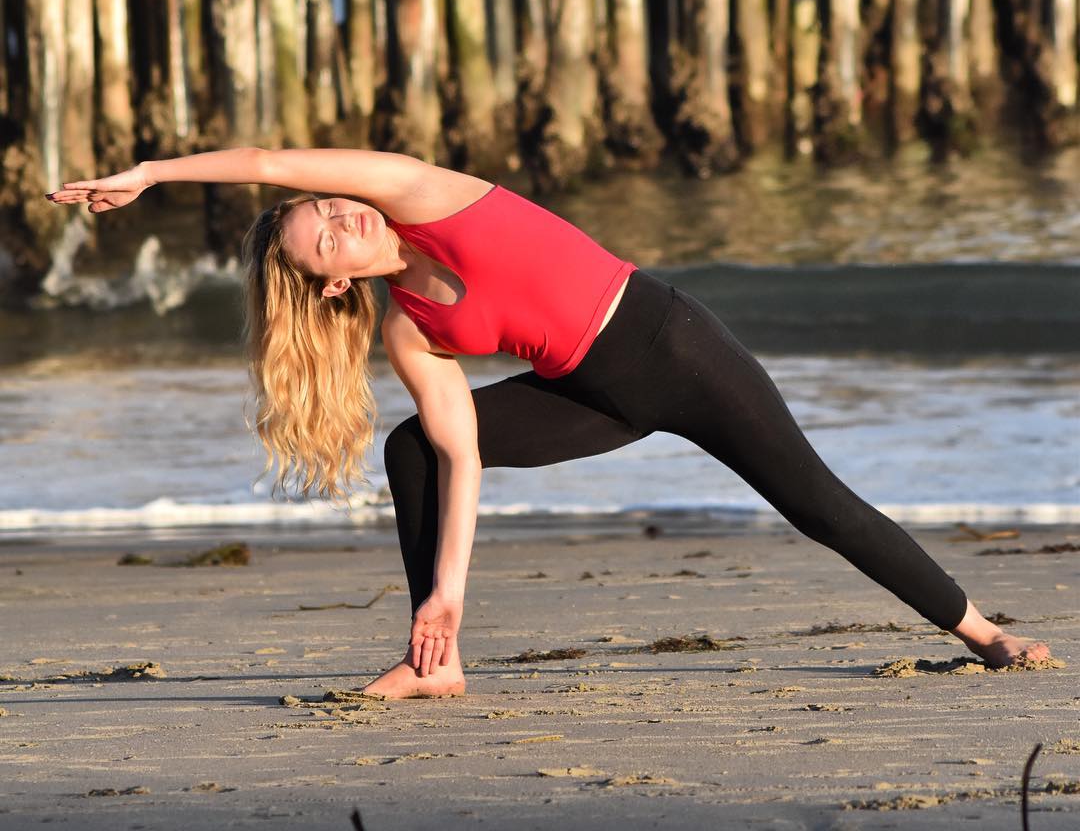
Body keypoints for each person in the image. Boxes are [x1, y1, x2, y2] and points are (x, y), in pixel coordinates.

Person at [47, 146, 1051, 698]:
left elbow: (269, 155)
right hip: (593, 398)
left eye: (333, 208)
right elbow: (464, 458)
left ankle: (984, 633)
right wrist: (447, 593)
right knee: (415, 449)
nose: (346, 219)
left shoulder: (424, 194)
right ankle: (435, 659)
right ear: (334, 284)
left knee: (820, 506)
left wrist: (155, 175)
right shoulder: (411, 330)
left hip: (671, 347)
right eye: (326, 239)